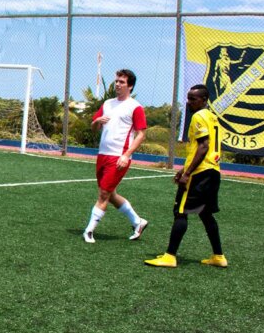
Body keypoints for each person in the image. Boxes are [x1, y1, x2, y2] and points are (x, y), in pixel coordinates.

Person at [146, 84, 227, 268]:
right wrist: (183, 169)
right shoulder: (213, 117)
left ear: (204, 100)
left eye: (193, 99)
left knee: (180, 211)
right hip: (213, 171)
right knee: (206, 214)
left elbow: (203, 146)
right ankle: (218, 256)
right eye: (188, 98)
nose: (189, 102)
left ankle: (170, 256)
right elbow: (205, 149)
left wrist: (188, 173)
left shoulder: (198, 116)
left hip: (200, 174)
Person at [82, 69, 149, 244]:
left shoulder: (135, 107)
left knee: (103, 194)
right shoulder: (107, 103)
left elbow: (141, 134)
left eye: (122, 82)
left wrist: (126, 155)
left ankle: (88, 231)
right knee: (110, 194)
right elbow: (94, 127)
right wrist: (96, 122)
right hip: (102, 155)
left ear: (130, 86)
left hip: (118, 157)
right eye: (117, 81)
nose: (118, 84)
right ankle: (138, 222)